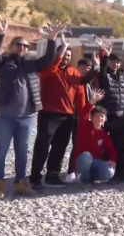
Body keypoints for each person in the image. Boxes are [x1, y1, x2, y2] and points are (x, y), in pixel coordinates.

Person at [0, 16, 63, 199]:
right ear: (11, 47)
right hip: (4, 117)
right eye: (19, 45)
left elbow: (49, 58)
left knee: (22, 152)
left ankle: (20, 183)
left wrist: (52, 38)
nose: (23, 48)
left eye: (25, 46)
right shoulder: (1, 63)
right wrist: (0, 35)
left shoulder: (31, 64)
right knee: (0, 152)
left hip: (27, 117)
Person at [31, 40, 94, 188]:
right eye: (64, 54)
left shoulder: (74, 72)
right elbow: (51, 68)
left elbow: (80, 96)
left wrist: (83, 115)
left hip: (67, 116)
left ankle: (52, 175)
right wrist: (62, 49)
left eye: (69, 55)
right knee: (42, 145)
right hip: (48, 114)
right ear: (58, 55)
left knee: (60, 146)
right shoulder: (50, 69)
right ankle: (35, 176)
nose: (66, 57)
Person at [73, 89, 117, 184]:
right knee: (86, 156)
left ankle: (91, 176)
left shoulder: (104, 134)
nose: (100, 118)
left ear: (105, 119)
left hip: (95, 162)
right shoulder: (84, 126)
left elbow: (111, 151)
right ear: (91, 118)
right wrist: (92, 102)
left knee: (110, 172)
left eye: (102, 116)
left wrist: (112, 160)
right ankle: (85, 178)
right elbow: (83, 114)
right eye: (97, 116)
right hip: (82, 161)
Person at [96, 46, 124, 130]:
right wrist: (106, 56)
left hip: (121, 114)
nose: (115, 64)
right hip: (108, 113)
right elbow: (103, 70)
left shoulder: (123, 76)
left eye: (118, 62)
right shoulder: (105, 76)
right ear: (109, 62)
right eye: (113, 62)